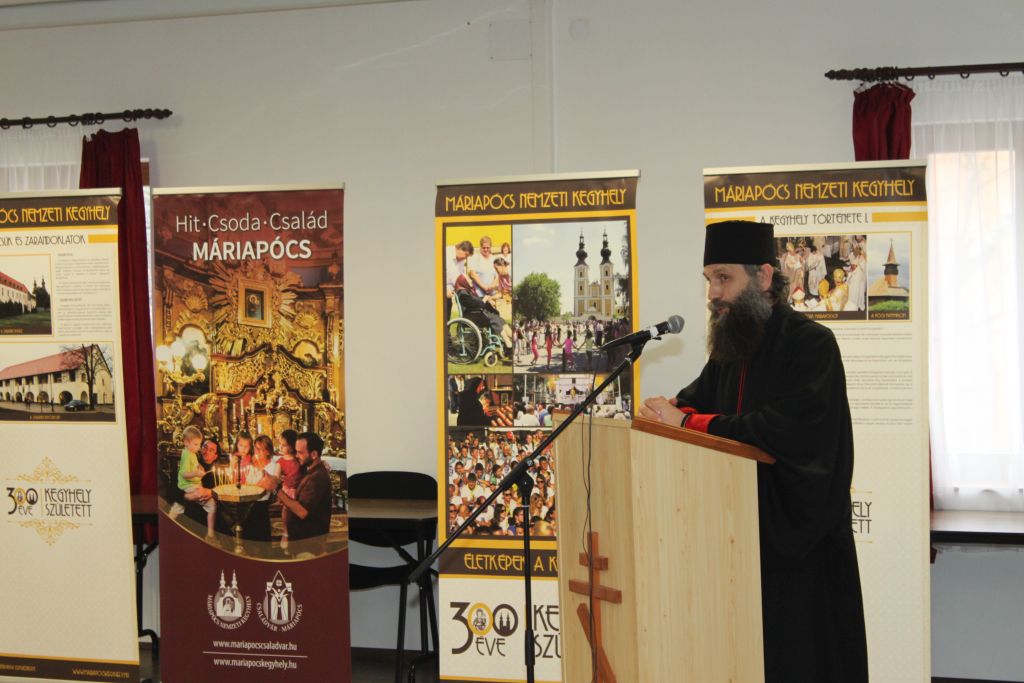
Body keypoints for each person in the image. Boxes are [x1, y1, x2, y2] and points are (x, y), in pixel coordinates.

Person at [638, 220, 867, 682]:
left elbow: (782, 430)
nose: (712, 294)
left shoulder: (811, 345)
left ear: (763, 276)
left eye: (724, 278)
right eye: (709, 280)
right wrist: (666, 409)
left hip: (800, 551)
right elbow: (697, 400)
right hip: (734, 543)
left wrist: (686, 420)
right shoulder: (732, 346)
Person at [276, 432, 333, 543]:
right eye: (296, 451)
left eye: (300, 452)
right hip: (303, 535)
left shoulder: (317, 477)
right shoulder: (310, 468)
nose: (296, 456)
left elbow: (302, 512)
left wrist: (276, 490)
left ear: (314, 454)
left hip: (310, 539)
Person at [169, 425, 216, 538]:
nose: (204, 450)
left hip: (201, 520)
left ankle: (210, 535)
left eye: (211, 450)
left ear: (215, 456)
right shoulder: (188, 456)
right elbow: (173, 489)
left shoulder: (194, 457)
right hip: (188, 516)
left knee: (212, 506)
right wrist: (188, 496)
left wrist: (211, 492)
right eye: (204, 447)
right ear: (187, 443)